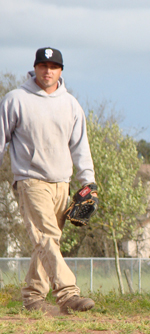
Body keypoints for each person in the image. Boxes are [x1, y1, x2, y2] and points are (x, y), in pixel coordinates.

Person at [0, 47, 96, 314]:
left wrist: (88, 182)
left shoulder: (71, 104)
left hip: (62, 182)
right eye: (43, 66)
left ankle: (33, 298)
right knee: (46, 237)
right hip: (30, 180)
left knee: (48, 242)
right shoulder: (16, 99)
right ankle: (68, 294)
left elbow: (80, 146)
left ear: (61, 71)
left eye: (53, 67)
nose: (48, 71)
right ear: (35, 68)